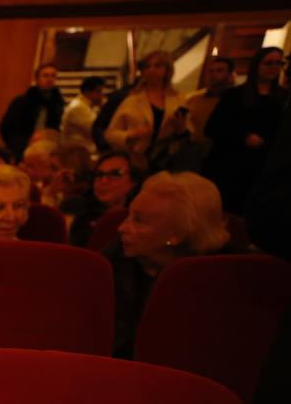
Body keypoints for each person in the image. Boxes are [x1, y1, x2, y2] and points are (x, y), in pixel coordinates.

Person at [105, 172, 237, 357]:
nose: (121, 228)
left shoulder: (226, 282)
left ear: (177, 234)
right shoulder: (112, 263)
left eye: (139, 220)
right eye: (129, 215)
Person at [203, 46, 290, 215]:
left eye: (278, 63)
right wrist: (243, 137)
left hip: (263, 168)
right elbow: (213, 127)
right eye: (268, 63)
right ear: (257, 65)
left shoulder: (284, 98)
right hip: (230, 165)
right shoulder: (234, 96)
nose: (273, 67)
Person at [104, 51, 187, 162]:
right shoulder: (131, 100)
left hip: (169, 159)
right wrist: (131, 134)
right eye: (147, 66)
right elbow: (110, 134)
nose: (151, 69)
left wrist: (180, 128)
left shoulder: (178, 99)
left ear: (167, 70)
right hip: (137, 160)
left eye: (157, 66)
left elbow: (190, 131)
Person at [63, 150, 143, 247]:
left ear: (134, 181)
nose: (104, 181)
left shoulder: (142, 221)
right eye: (99, 174)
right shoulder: (81, 212)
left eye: (115, 174)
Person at [0, 63, 66, 159]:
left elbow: (55, 128)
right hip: (21, 147)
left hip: (45, 149)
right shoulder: (22, 101)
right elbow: (6, 127)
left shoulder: (57, 103)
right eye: (45, 75)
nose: (50, 79)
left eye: (53, 76)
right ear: (37, 79)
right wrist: (17, 145)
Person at [184, 57, 236, 152]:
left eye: (219, 70)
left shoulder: (236, 100)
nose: (213, 74)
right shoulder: (193, 98)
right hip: (192, 151)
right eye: (211, 71)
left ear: (229, 74)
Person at [62, 76, 107, 150]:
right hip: (77, 152)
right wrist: (105, 109)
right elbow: (96, 131)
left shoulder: (84, 105)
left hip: (83, 149)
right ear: (87, 91)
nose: (102, 95)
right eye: (98, 91)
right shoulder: (78, 108)